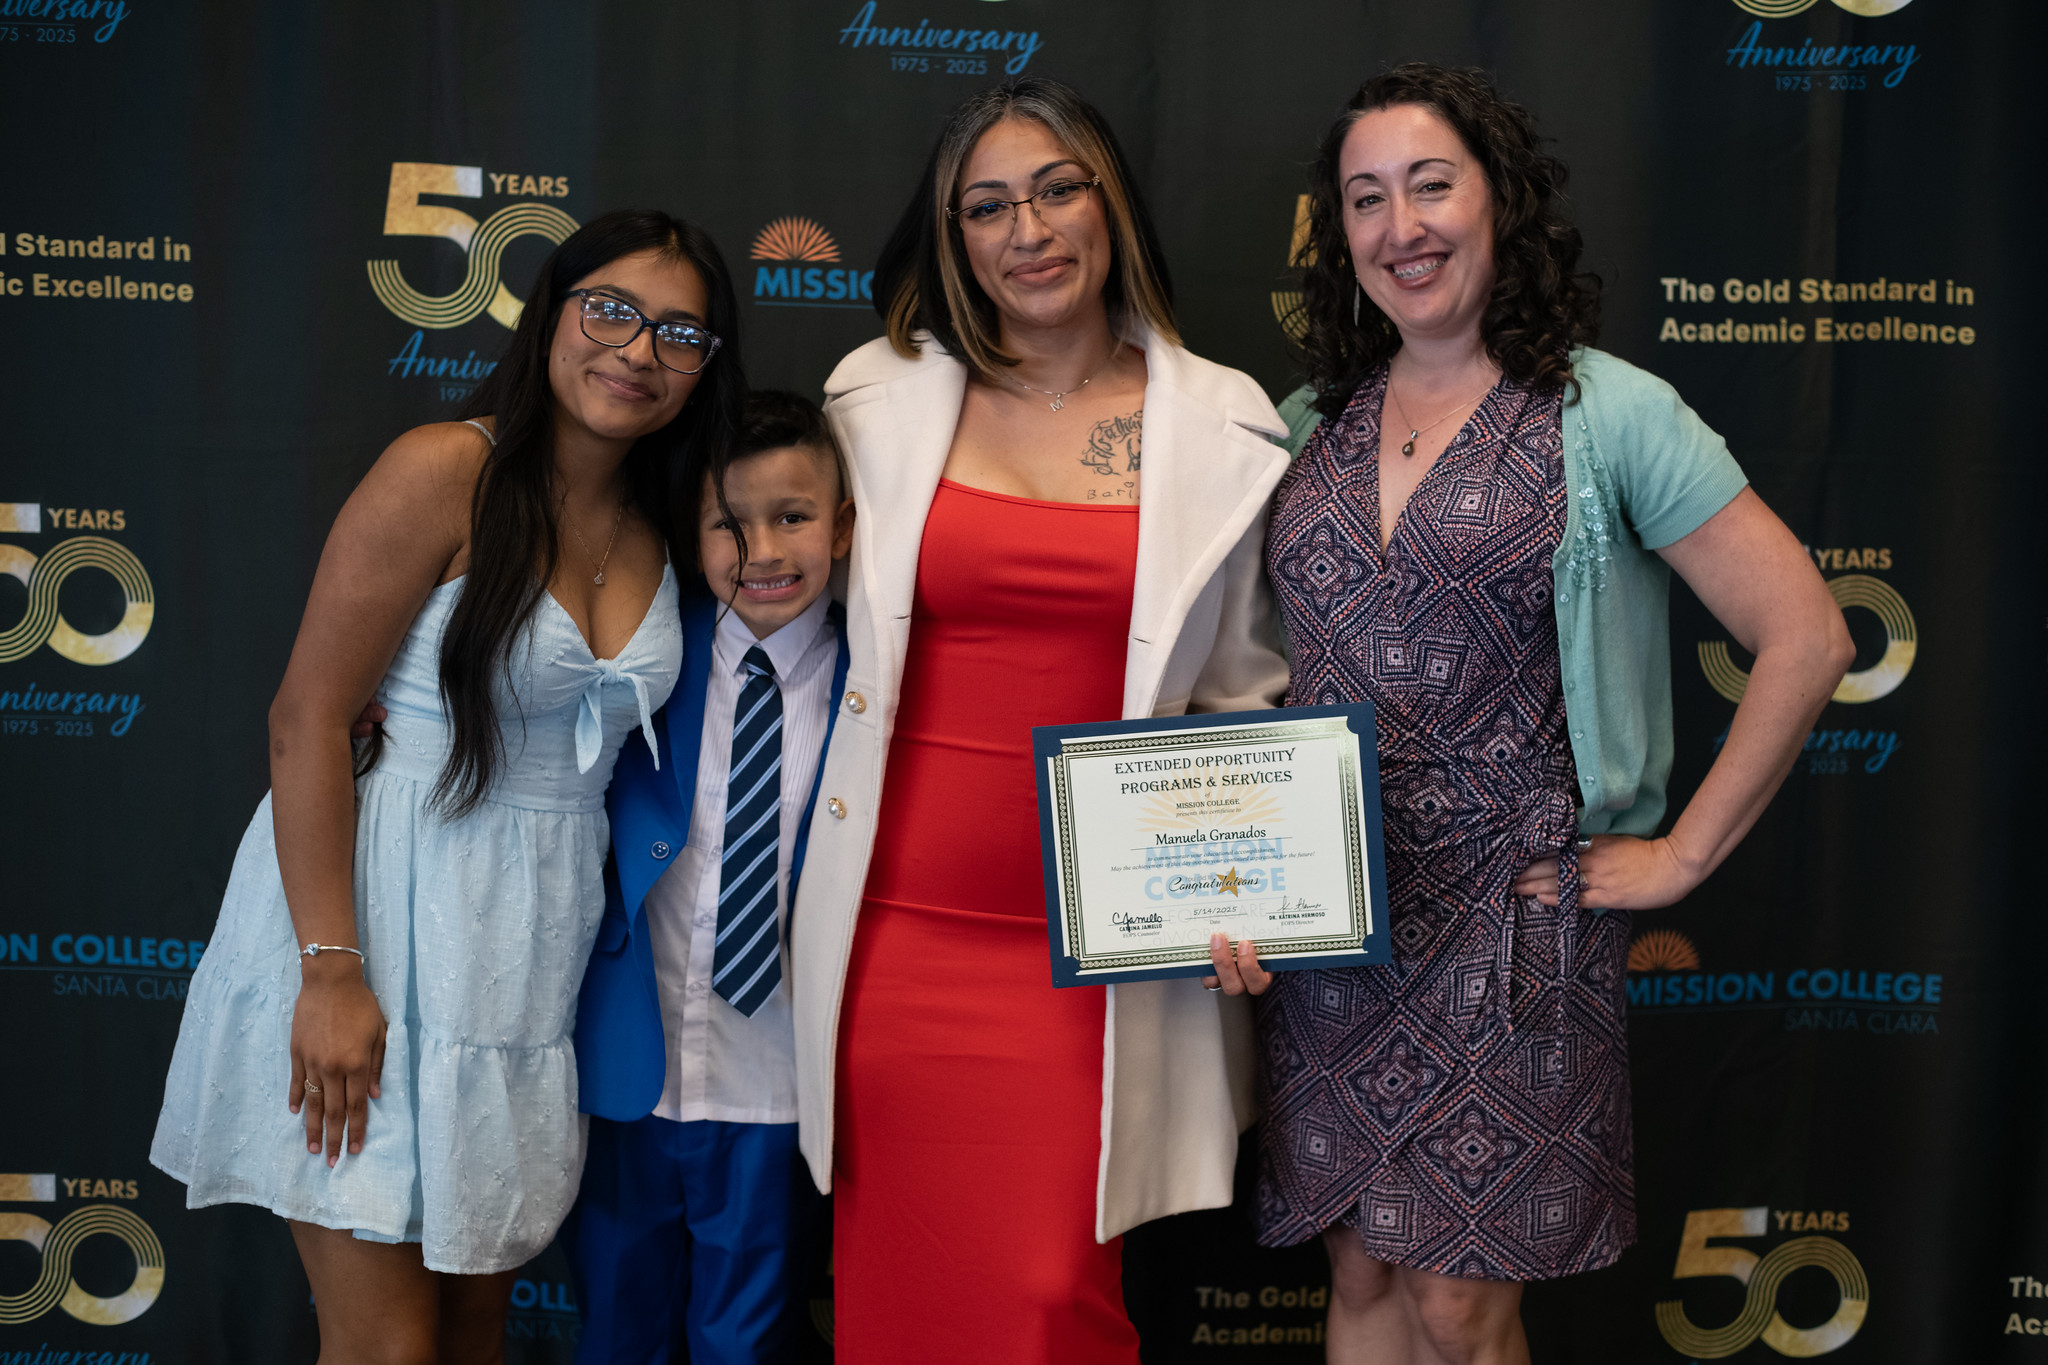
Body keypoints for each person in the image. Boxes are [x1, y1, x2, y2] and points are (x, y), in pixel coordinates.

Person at [1201, 65, 1855, 1364]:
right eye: (1366, 199)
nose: (1402, 227)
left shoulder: (1608, 412)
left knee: (1461, 1303)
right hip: (1337, 925)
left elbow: (1809, 637)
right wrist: (1236, 880)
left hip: (1517, 920)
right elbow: (1242, 683)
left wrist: (1683, 854)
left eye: (1430, 185)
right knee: (1360, 1267)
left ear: (1499, 198)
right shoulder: (1301, 427)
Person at [150, 209, 742, 1365]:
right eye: (610, 311)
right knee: (388, 1348)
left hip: (524, 957)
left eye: (678, 333)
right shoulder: (444, 470)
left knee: (471, 1331)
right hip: (376, 919)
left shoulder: (665, 522)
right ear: (552, 313)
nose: (637, 351)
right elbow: (308, 719)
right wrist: (331, 972)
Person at [790, 76, 1292, 1362]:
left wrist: (1245, 892)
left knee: (1041, 1300)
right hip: (894, 942)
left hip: (1099, 967)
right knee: (904, 1305)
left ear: (1109, 204)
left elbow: (1240, 696)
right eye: (987, 206)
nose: (1028, 230)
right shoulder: (872, 396)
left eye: (1058, 190)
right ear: (952, 236)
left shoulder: (1222, 418)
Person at [560, 391, 854, 1365]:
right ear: (692, 536)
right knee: (618, 1330)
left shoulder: (877, 682)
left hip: (775, 1085)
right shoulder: (647, 656)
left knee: (747, 1341)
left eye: (792, 517)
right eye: (730, 525)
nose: (761, 550)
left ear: (842, 527)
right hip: (632, 1075)